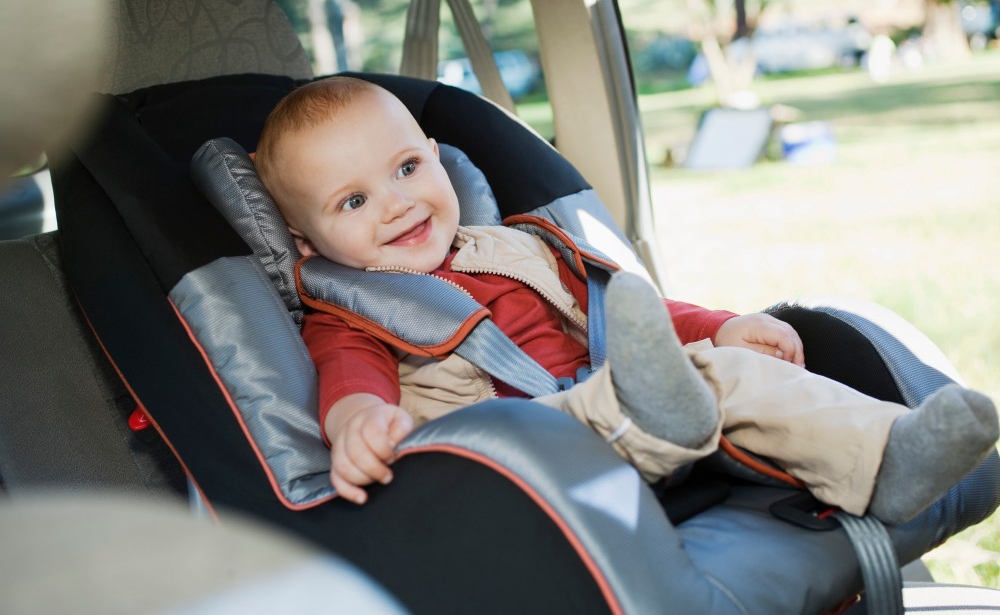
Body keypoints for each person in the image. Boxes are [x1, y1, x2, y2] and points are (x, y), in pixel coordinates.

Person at [254, 76, 998, 521]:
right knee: (632, 394)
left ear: (438, 159)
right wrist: (358, 421)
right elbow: (350, 382)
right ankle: (658, 411)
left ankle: (893, 454)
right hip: (515, 451)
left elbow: (627, 315)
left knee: (728, 372)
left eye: (408, 167)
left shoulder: (519, 246)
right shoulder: (347, 311)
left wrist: (721, 328)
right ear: (307, 241)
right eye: (353, 200)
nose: (396, 204)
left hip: (622, 391)